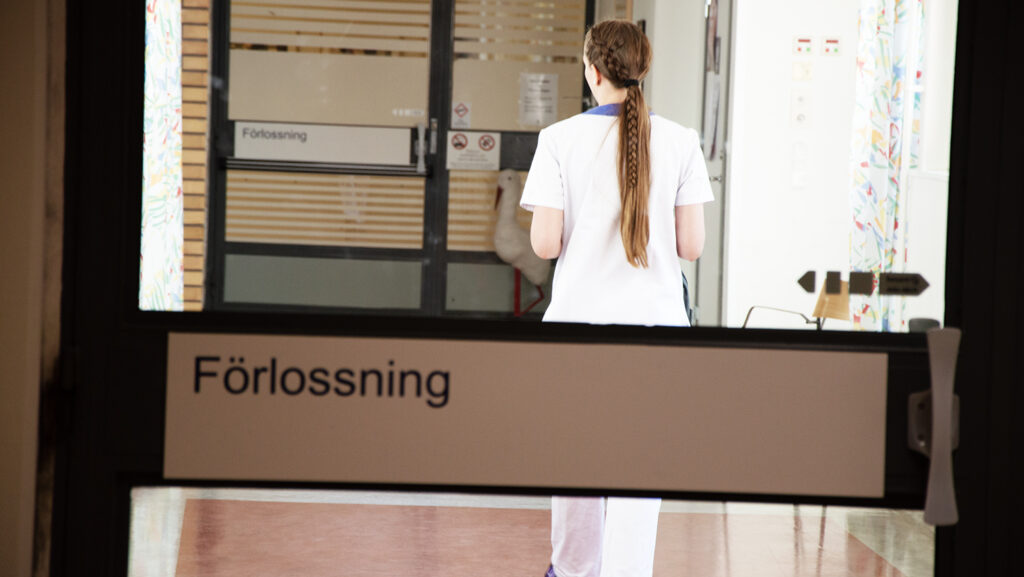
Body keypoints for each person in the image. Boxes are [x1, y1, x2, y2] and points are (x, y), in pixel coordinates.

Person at [518, 19, 714, 577]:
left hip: (577, 331)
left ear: (593, 70)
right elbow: (692, 246)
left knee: (576, 459)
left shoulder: (558, 140)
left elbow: (545, 244)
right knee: (640, 464)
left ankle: (574, 570)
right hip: (656, 331)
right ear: (640, 68)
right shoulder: (680, 140)